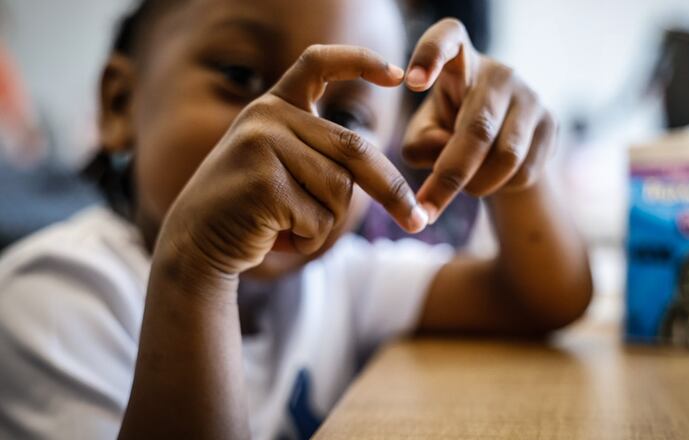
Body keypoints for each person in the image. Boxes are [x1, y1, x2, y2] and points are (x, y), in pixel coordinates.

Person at [0, 0, 592, 438]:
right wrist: (197, 267)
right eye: (241, 79)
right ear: (120, 104)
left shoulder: (342, 280)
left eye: (348, 115)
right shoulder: (55, 297)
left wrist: (509, 170)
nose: (291, 132)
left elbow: (538, 298)